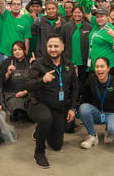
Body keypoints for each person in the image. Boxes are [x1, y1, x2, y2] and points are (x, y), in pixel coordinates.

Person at [25, 35, 80, 168]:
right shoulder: (39, 64)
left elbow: (75, 88)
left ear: (62, 47)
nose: (53, 49)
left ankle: (40, 132)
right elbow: (27, 85)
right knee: (46, 119)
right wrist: (42, 80)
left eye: (56, 46)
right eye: (50, 46)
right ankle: (39, 152)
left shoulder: (69, 65)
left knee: (56, 145)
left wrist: (73, 108)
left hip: (59, 107)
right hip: (38, 104)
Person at [78, 57, 114, 148]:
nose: (99, 69)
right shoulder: (92, 79)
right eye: (97, 66)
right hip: (98, 113)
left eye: (102, 66)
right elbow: (82, 91)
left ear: (108, 68)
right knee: (83, 108)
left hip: (113, 113)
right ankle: (92, 136)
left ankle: (109, 130)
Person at [0, 0, 32, 67]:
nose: (16, 6)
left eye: (18, 4)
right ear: (10, 6)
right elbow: (1, 1)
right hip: (4, 53)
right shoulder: (6, 15)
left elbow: (27, 40)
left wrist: (25, 54)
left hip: (18, 56)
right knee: (0, 77)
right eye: (14, 4)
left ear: (21, 6)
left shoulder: (25, 22)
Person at [0, 40, 32, 121]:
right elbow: (0, 81)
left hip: (29, 93)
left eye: (20, 49)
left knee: (34, 111)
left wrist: (26, 92)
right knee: (19, 114)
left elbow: (37, 81)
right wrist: (8, 73)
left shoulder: (30, 61)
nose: (17, 52)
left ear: (24, 50)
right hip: (13, 94)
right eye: (15, 50)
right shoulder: (6, 62)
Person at [61, 5, 92, 84]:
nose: (77, 14)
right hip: (69, 60)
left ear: (83, 14)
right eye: (75, 12)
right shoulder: (66, 26)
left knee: (83, 83)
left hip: (83, 62)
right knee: (69, 83)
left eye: (79, 12)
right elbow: (62, 42)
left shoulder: (88, 27)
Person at [88, 7, 114, 73]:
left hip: (109, 66)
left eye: (102, 16)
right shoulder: (96, 25)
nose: (99, 19)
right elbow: (86, 13)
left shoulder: (111, 29)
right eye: (97, 17)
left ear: (107, 17)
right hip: (96, 65)